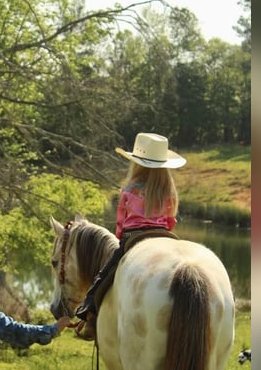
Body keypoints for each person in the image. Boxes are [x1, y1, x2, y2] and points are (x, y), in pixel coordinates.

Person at [74, 132, 186, 340]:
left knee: (103, 276)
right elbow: (171, 219)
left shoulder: (129, 189)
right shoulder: (167, 190)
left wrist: (120, 238)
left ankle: (89, 315)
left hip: (133, 237)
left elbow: (121, 222)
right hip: (164, 236)